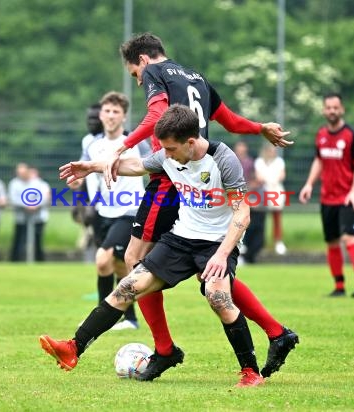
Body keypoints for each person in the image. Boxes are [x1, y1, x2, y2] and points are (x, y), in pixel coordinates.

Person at [43, 105, 293, 387]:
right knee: (127, 286)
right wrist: (91, 168)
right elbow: (137, 165)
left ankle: (250, 373)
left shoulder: (223, 158)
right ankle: (73, 348)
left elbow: (242, 213)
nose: (167, 155)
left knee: (217, 296)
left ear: (190, 141)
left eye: (171, 149)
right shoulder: (169, 153)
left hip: (216, 243)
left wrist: (222, 255)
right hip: (180, 238)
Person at [102, 32, 296, 379]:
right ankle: (276, 332)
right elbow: (229, 119)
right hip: (198, 176)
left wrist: (122, 147)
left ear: (143, 60)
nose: (138, 81)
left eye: (134, 75)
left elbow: (156, 114)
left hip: (170, 177)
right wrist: (259, 128)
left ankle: (163, 350)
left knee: (134, 260)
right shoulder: (196, 78)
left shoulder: (153, 74)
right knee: (209, 271)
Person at [71, 91, 148, 330]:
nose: (111, 115)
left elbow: (154, 165)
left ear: (124, 116)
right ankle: (130, 319)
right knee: (114, 266)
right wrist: (76, 183)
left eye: (116, 111)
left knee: (103, 259)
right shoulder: (90, 143)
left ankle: (101, 317)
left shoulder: (135, 142)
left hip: (130, 210)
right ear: (101, 114)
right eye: (107, 111)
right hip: (102, 212)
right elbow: (85, 170)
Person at [299, 93, 354, 298]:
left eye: (335, 107)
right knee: (332, 242)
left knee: (349, 238)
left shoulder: (351, 135)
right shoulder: (321, 134)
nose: (332, 111)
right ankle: (339, 287)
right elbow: (319, 161)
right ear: (324, 110)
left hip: (347, 197)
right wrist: (309, 184)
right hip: (327, 198)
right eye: (328, 107)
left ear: (342, 110)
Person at [70, 103, 103, 260]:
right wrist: (77, 201)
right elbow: (83, 174)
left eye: (95, 119)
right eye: (89, 119)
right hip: (93, 200)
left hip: (114, 201)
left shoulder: (117, 141)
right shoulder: (87, 141)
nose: (91, 122)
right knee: (100, 248)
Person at [234, 141, 266, 263]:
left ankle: (247, 253)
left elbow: (255, 179)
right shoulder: (230, 161)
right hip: (234, 196)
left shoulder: (250, 162)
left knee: (249, 225)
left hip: (247, 196)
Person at [255, 143, 287, 255]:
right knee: (260, 219)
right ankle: (260, 243)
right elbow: (259, 177)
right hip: (263, 192)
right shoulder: (259, 162)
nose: (271, 153)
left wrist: (273, 180)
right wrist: (268, 180)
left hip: (276, 190)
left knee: (277, 218)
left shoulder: (279, 162)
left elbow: (282, 175)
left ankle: (278, 242)